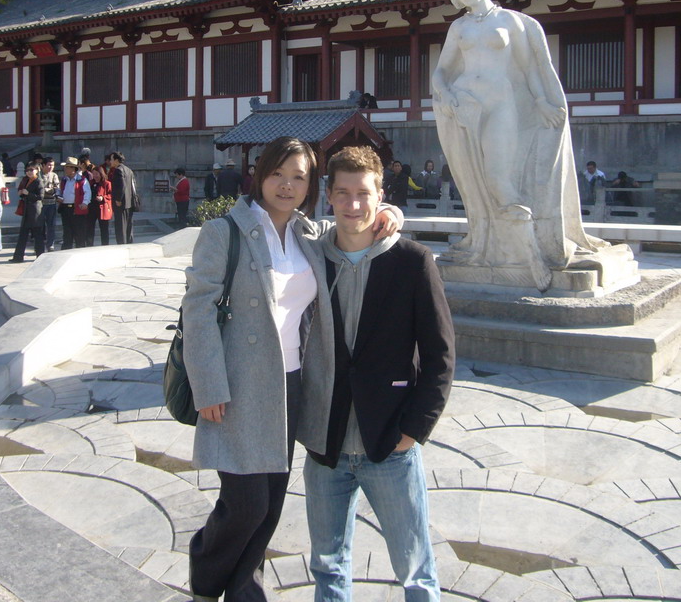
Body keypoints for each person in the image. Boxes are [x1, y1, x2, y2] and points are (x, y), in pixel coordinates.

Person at [181, 137, 402, 602]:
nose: (287, 185)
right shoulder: (225, 231)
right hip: (237, 385)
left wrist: (390, 215)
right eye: (278, 174)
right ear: (260, 175)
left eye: (298, 177)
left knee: (272, 504)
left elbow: (354, 225)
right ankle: (206, 571)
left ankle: (245, 590)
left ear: (310, 185)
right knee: (246, 504)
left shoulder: (307, 236)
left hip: (292, 384)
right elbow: (197, 311)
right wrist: (208, 385)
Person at [299, 146, 454, 602]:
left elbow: (440, 355)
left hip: (388, 442)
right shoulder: (311, 257)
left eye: (363, 193)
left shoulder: (412, 262)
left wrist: (413, 430)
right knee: (327, 564)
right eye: (342, 193)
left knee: (414, 567)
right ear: (328, 195)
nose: (353, 205)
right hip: (324, 443)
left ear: (380, 195)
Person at [431, 0, 602, 290]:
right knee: (474, 178)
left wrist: (541, 100)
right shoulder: (459, 26)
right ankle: (492, 242)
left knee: (499, 177)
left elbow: (529, 68)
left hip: (501, 103)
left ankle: (530, 252)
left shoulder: (511, 22)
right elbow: (441, 70)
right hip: (467, 104)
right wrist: (446, 95)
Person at [10, 164, 45, 262]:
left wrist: (28, 194)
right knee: (23, 235)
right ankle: (18, 257)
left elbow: (40, 196)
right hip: (26, 210)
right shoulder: (25, 180)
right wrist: (21, 193)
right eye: (27, 170)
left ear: (36, 171)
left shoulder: (38, 181)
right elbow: (23, 194)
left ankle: (40, 257)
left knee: (38, 235)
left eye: (31, 170)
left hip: (35, 211)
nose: (29, 172)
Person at [57, 157, 90, 249]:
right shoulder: (64, 180)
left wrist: (85, 203)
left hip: (77, 208)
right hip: (65, 208)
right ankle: (67, 248)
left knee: (79, 231)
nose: (65, 169)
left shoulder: (82, 180)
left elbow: (87, 193)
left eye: (67, 167)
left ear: (73, 168)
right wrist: (58, 196)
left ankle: (80, 248)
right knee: (67, 231)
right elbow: (60, 191)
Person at [108, 151, 138, 244]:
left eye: (112, 159)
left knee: (120, 227)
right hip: (129, 202)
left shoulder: (118, 170)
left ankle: (122, 245)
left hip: (121, 203)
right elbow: (133, 186)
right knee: (129, 226)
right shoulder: (129, 170)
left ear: (116, 160)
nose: (110, 161)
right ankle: (129, 243)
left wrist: (118, 199)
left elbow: (121, 185)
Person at [39, 157, 60, 251]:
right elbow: (39, 189)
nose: (51, 167)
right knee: (40, 226)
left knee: (51, 225)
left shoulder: (54, 175)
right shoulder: (39, 175)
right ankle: (39, 245)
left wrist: (49, 190)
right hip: (41, 204)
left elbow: (56, 188)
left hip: (51, 203)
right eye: (49, 165)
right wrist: (47, 190)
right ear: (43, 165)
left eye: (52, 165)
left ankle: (50, 244)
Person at [89, 163, 113, 246]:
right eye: (93, 174)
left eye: (97, 174)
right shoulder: (90, 183)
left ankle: (105, 245)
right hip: (92, 207)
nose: (95, 176)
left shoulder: (106, 183)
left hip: (102, 208)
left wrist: (103, 198)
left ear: (101, 173)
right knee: (90, 227)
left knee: (104, 228)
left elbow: (110, 195)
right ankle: (89, 244)